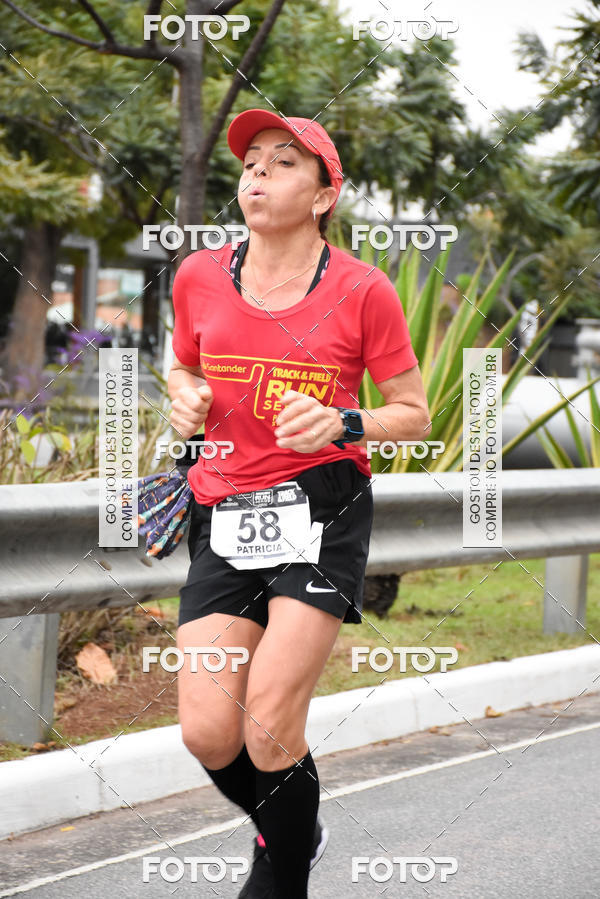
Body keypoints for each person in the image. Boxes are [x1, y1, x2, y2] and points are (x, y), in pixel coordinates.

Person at [167, 108, 431, 899]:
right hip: (224, 507)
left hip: (321, 511)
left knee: (269, 723)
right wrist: (185, 396)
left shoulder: (362, 289)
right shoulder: (198, 275)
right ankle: (295, 831)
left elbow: (413, 413)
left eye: (284, 162)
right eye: (252, 160)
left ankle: (282, 881)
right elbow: (183, 365)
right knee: (207, 730)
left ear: (322, 195)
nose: (258, 171)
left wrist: (345, 421)